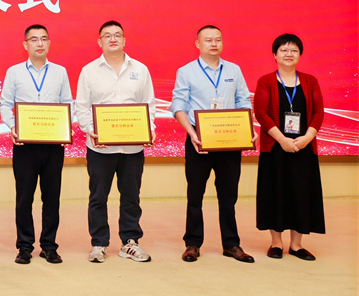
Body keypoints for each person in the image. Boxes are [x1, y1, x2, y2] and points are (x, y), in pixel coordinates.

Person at [170, 25, 256, 263]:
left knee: (228, 196)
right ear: (198, 44)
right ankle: (192, 244)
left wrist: (248, 130)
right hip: (199, 139)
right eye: (208, 40)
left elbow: (243, 101)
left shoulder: (234, 70)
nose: (214, 44)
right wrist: (191, 133)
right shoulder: (186, 71)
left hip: (230, 139)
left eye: (218, 39)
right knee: (195, 195)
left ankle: (231, 244)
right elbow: (179, 105)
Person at [75, 21, 156, 263]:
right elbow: (82, 107)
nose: (113, 39)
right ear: (99, 41)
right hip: (100, 147)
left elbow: (149, 105)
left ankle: (130, 242)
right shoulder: (89, 71)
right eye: (107, 35)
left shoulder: (140, 69)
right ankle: (99, 243)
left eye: (117, 35)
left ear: (124, 40)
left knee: (131, 196)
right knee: (98, 197)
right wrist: (92, 131)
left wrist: (149, 130)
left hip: (132, 147)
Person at [0, 24, 73, 264]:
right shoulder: (14, 72)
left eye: (43, 39)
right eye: (34, 39)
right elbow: (5, 104)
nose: (39, 43)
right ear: (25, 44)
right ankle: (24, 246)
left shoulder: (60, 72)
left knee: (52, 197)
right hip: (25, 146)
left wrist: (65, 127)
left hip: (53, 145)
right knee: (24, 198)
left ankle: (49, 246)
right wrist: (14, 127)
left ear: (49, 43)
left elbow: (68, 103)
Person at [254, 34, 325, 261]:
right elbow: (261, 113)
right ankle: (276, 243)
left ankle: (296, 245)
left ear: (300, 55)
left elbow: (318, 112)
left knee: (302, 194)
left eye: (294, 50)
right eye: (283, 50)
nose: (288, 54)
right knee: (274, 193)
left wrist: (308, 137)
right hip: (275, 148)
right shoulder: (266, 81)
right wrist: (282, 139)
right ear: (274, 55)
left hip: (303, 148)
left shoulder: (310, 81)